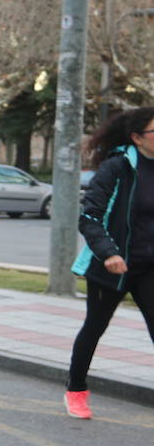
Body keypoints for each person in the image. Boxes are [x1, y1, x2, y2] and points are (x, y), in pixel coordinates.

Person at [68, 107, 154, 419]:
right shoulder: (117, 168)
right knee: (95, 327)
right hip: (111, 267)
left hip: (148, 268)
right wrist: (110, 254)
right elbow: (89, 216)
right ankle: (76, 389)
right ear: (137, 138)